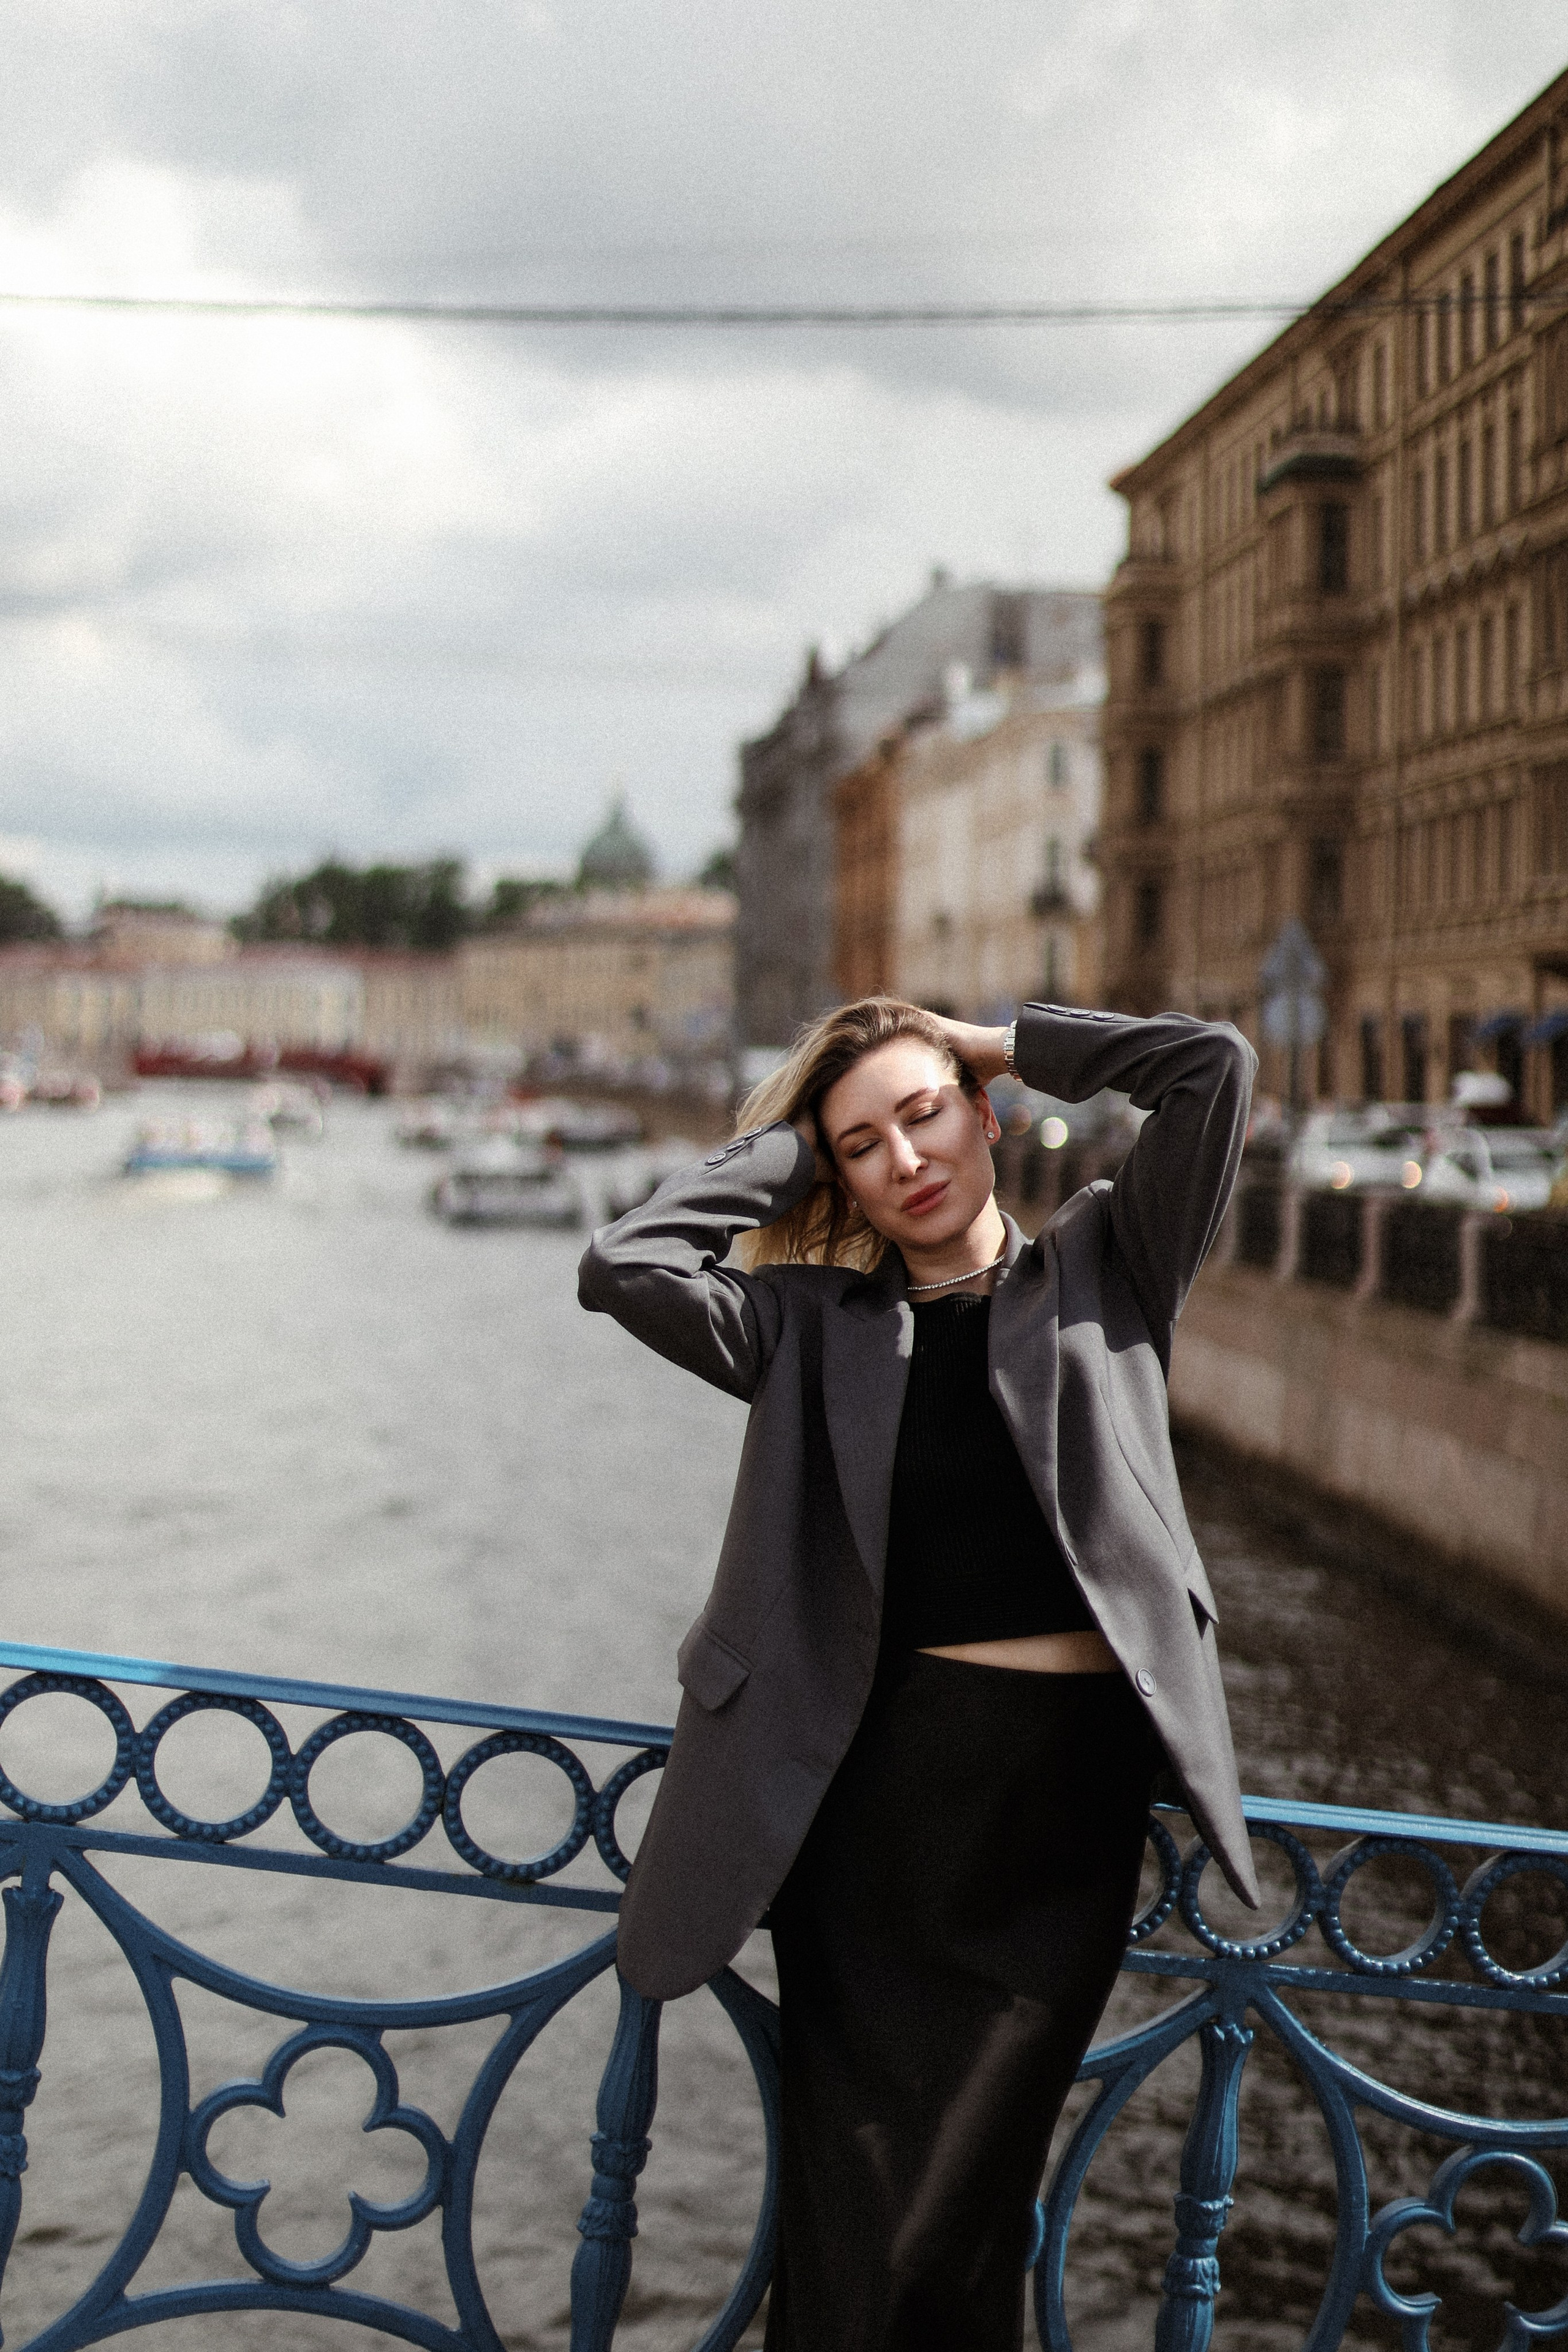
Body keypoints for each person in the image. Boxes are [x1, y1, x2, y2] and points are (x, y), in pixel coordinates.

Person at [578, 996, 1260, 2352]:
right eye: (863, 1147)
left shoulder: (1109, 1261)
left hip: (1058, 1814)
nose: (904, 1157)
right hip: (879, 1805)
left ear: (984, 1115)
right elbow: (625, 1261)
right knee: (864, 2211)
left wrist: (995, 1039)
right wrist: (795, 1138)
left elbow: (1210, 1071)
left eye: (925, 1114)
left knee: (956, 2213)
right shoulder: (806, 1329)